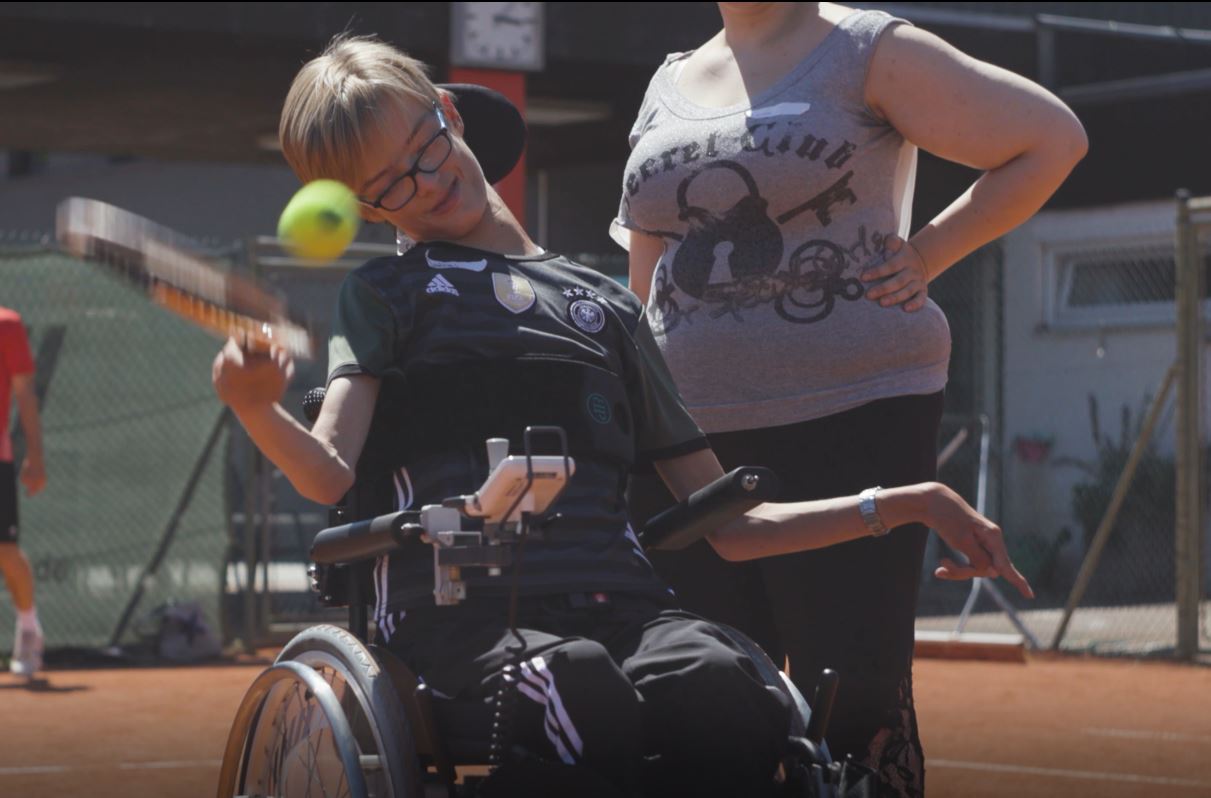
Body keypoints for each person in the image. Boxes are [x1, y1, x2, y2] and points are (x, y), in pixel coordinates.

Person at [212, 35, 1032, 797]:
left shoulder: (606, 306)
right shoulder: (384, 297)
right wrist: (256, 407)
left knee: (728, 693)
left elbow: (733, 526)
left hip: (625, 611)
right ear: (358, 204)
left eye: (425, 148)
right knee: (580, 698)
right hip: (459, 627)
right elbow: (327, 472)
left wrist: (905, 501)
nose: (425, 183)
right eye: (389, 184)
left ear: (450, 114)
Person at [612, 3, 1087, 795]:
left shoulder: (865, 49)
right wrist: (643, 391)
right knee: (699, 690)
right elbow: (649, 268)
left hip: (850, 413)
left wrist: (928, 253)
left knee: (849, 694)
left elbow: (1051, 138)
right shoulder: (668, 78)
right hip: (687, 437)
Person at [0, 306, 48, 678]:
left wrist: (35, 455)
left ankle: (29, 629)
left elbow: (25, 393)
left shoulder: (8, 325)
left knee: (6, 552)